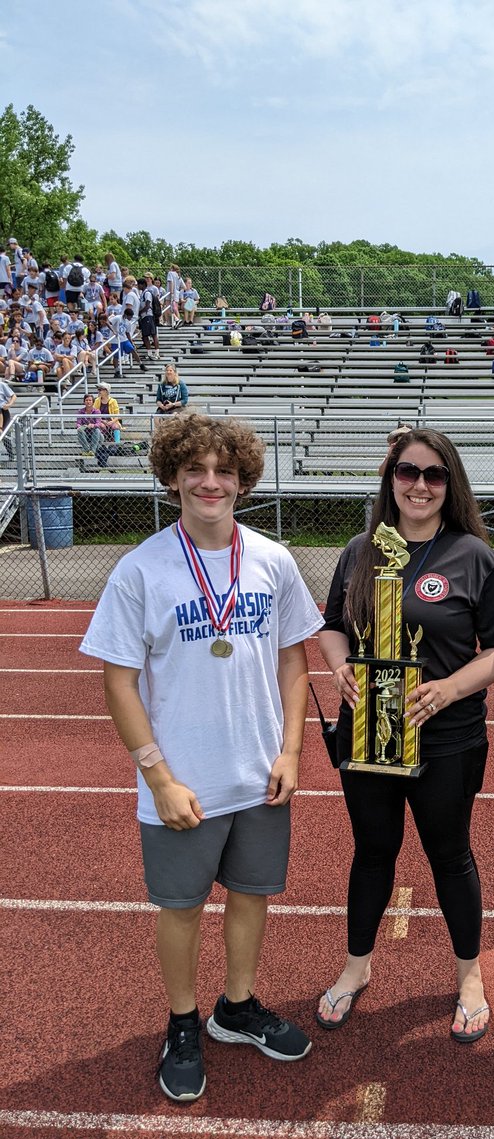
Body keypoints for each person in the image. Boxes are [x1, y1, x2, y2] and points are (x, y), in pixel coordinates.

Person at [79, 413, 324, 1103]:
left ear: (243, 479)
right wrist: (157, 777)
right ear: (173, 478)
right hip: (182, 782)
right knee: (182, 907)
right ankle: (183, 1022)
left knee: (251, 895)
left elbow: (292, 662)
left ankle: (237, 1007)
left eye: (224, 470)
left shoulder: (272, 560)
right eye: (196, 470)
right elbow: (118, 681)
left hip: (259, 773)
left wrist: (292, 751)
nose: (210, 482)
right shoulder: (141, 570)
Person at [316, 428, 494, 1042]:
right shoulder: (360, 551)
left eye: (434, 475)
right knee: (372, 853)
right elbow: (331, 629)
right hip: (369, 735)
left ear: (449, 483)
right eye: (408, 473)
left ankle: (471, 977)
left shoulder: (474, 556)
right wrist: (339, 666)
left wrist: (448, 689)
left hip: (448, 736)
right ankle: (356, 968)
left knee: (449, 856)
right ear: (391, 480)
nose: (420, 486)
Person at [0, 378, 15, 458]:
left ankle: (11, 454)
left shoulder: (2, 385)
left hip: (3, 411)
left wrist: (9, 404)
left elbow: (13, 396)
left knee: (5, 434)